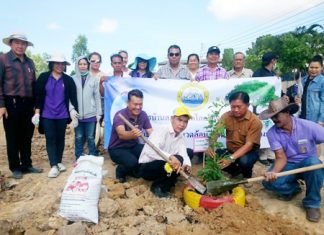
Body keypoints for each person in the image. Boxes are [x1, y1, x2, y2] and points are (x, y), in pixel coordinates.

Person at [259, 97, 324, 222]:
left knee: (314, 163)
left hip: (309, 164)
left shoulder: (308, 126)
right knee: (268, 182)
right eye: (272, 117)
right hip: (289, 164)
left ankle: (312, 204)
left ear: (287, 113)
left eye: (277, 115)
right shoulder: (272, 133)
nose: (274, 119)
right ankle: (293, 189)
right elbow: (280, 158)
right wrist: (274, 173)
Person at [0, 33, 43, 179]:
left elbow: (34, 85)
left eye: (23, 43)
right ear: (11, 44)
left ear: (26, 46)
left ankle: (26, 164)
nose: (20, 46)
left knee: (27, 136)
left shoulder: (30, 62)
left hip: (28, 104)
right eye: (17, 43)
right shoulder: (3, 59)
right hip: (11, 103)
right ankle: (15, 167)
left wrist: (36, 106)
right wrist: (1, 105)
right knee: (12, 136)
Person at [33, 54, 78, 178]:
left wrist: (74, 113)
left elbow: (73, 98)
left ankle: (58, 161)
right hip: (47, 114)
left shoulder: (68, 80)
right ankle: (53, 165)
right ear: (52, 64)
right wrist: (37, 112)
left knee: (60, 138)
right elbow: (38, 96)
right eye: (57, 63)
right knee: (50, 138)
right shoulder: (43, 77)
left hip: (62, 115)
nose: (60, 66)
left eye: (62, 64)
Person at [205, 91, 262, 178]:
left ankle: (247, 175)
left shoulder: (255, 121)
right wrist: (210, 146)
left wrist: (230, 159)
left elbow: (249, 145)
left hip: (248, 152)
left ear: (247, 105)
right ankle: (236, 171)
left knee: (245, 161)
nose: (235, 110)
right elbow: (215, 132)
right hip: (231, 150)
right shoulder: (226, 116)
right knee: (213, 156)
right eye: (233, 107)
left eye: (239, 107)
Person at [139, 106, 192, 198]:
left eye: (185, 121)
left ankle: (170, 179)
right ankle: (157, 187)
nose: (182, 124)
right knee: (176, 160)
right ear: (172, 119)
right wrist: (171, 157)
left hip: (163, 166)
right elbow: (149, 151)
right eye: (179, 120)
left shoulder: (180, 137)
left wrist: (187, 165)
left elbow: (184, 153)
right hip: (147, 168)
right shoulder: (162, 130)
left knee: (187, 154)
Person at [108, 89, 153, 183]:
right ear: (128, 103)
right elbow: (122, 134)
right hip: (117, 149)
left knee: (148, 152)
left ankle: (133, 170)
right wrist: (132, 134)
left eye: (140, 104)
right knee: (132, 162)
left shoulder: (143, 115)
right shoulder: (119, 115)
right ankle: (120, 172)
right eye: (135, 104)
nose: (138, 107)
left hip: (133, 146)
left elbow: (151, 132)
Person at [72, 56, 102, 159]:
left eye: (85, 64)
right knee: (79, 136)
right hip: (78, 114)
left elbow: (97, 96)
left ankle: (92, 155)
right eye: (80, 64)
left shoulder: (93, 79)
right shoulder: (73, 79)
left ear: (88, 65)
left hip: (91, 114)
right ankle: (78, 156)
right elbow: (69, 97)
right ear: (77, 65)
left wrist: (99, 113)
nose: (82, 66)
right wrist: (72, 110)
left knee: (90, 137)